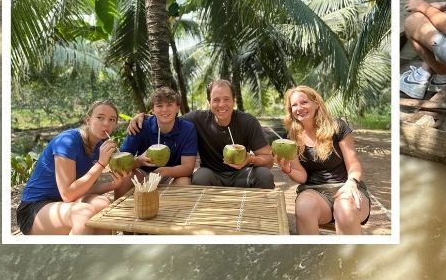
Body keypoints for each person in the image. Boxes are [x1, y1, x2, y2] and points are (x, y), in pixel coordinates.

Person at [130, 79, 276, 188]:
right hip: (212, 174)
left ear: (234, 101)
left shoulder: (248, 121)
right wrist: (144, 117)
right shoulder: (197, 119)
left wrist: (250, 159)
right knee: (199, 176)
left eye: (226, 99)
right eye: (216, 100)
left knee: (265, 175)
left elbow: (268, 160)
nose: (221, 105)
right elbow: (169, 118)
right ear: (208, 102)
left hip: (243, 173)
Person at [16, 100, 131, 235]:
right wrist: (100, 164)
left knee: (103, 204)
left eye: (112, 120)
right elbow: (68, 195)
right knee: (84, 214)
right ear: (88, 120)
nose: (106, 123)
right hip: (34, 208)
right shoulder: (67, 141)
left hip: (62, 204)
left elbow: (82, 189)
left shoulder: (99, 146)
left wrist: (112, 185)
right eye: (100, 117)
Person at [275, 85, 371, 235]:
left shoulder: (337, 127)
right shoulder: (292, 137)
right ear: (291, 111)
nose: (299, 108)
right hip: (315, 193)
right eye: (294, 105)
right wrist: (287, 169)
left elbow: (353, 164)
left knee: (344, 207)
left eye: (304, 102)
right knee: (304, 206)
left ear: (316, 103)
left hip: (345, 188)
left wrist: (352, 182)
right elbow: (302, 176)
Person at [115, 86, 198, 192]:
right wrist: (138, 161)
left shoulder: (187, 128)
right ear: (153, 110)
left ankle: (174, 209)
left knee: (184, 182)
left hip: (171, 175)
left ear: (177, 108)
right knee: (125, 178)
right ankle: (120, 208)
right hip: (143, 174)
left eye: (169, 104)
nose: (164, 109)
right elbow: (121, 163)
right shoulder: (140, 126)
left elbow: (188, 168)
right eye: (159, 106)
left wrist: (162, 171)